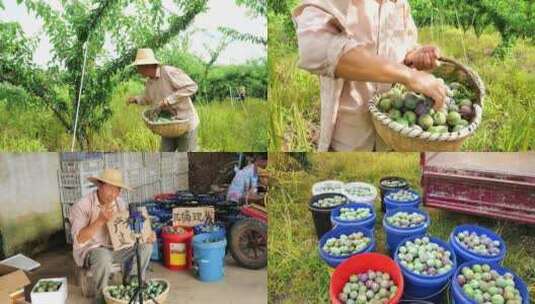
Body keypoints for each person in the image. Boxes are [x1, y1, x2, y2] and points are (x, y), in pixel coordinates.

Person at [293, 0, 448, 151]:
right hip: (348, 141)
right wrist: (409, 76)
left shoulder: (400, 5)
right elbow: (314, 48)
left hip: (393, 137)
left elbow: (404, 49)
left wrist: (413, 57)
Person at [69, 169, 155, 304]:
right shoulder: (82, 206)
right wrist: (100, 220)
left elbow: (128, 232)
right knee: (102, 256)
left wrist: (146, 235)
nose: (113, 194)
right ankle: (101, 297)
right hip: (92, 249)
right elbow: (79, 239)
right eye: (110, 189)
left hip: (116, 248)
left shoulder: (120, 203)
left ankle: (132, 281)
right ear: (100, 186)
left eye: (117, 190)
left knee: (145, 246)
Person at [127, 48, 199, 152]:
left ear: (147, 66)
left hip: (185, 124)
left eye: (138, 67)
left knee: (185, 156)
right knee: (164, 154)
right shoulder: (149, 82)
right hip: (168, 124)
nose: (137, 70)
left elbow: (192, 87)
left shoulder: (168, 72)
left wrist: (169, 100)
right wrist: (135, 99)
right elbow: (147, 98)